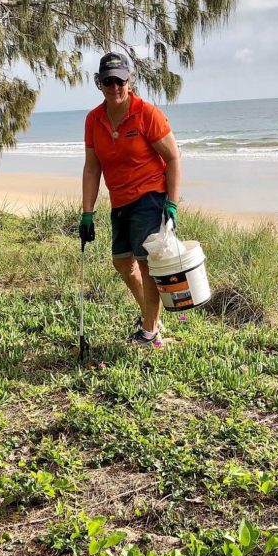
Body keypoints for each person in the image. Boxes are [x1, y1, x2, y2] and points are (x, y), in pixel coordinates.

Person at [80, 52, 181, 345]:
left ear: (130, 80)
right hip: (120, 201)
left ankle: (149, 332)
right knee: (122, 262)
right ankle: (151, 317)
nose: (115, 87)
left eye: (121, 81)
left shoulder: (146, 114)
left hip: (150, 197)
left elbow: (173, 158)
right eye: (109, 81)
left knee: (147, 265)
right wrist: (87, 213)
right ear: (99, 83)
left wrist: (171, 204)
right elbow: (92, 167)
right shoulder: (93, 119)